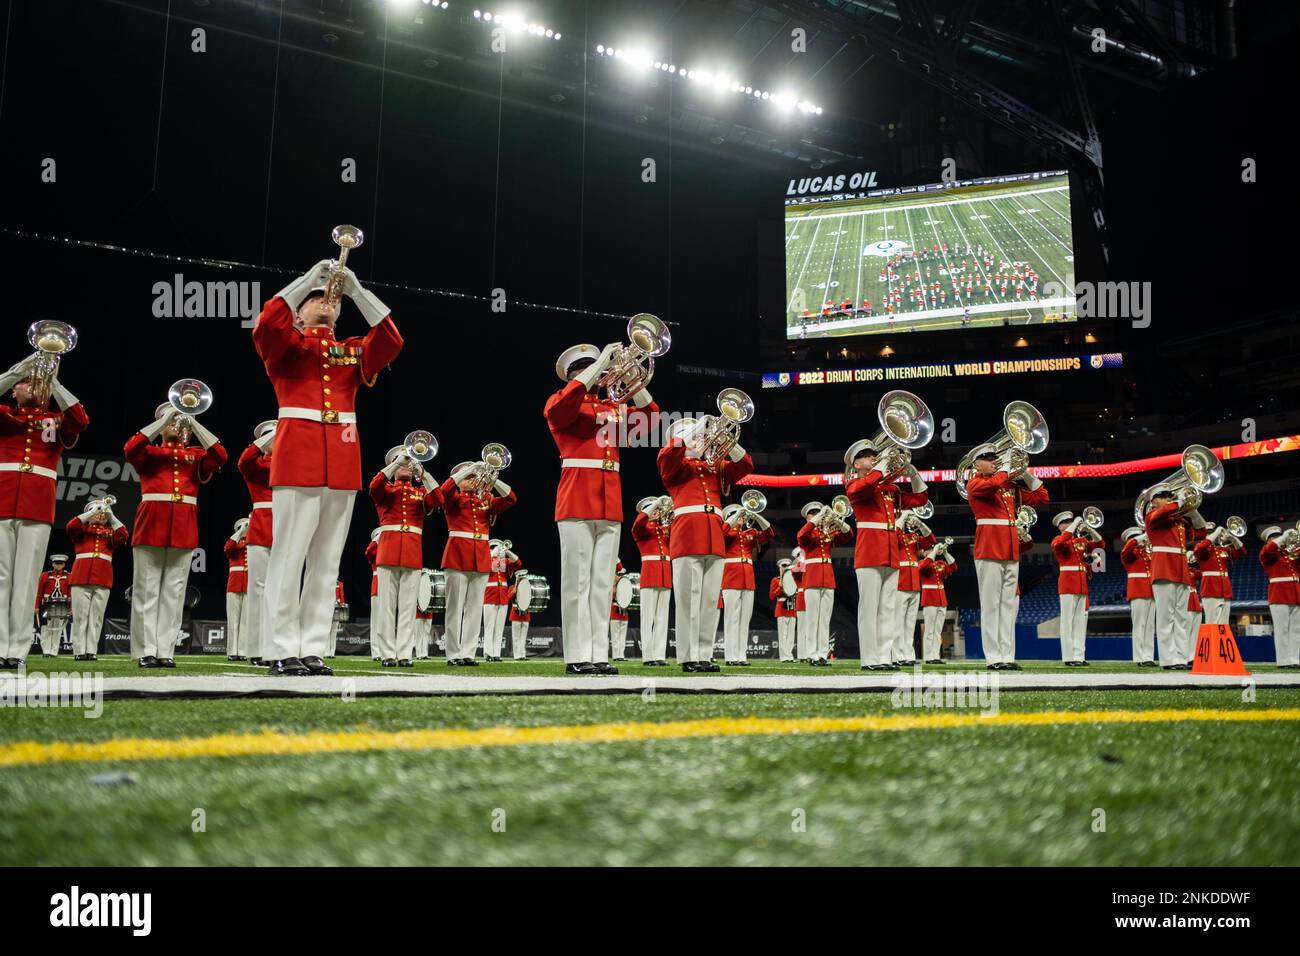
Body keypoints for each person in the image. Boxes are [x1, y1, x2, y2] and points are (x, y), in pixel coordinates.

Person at [252, 257, 403, 676]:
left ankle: (313, 646)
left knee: (326, 562)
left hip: (341, 462)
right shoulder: (287, 348)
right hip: (298, 458)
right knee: (288, 557)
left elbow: (390, 340)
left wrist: (356, 290)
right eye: (317, 299)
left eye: (331, 299)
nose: (326, 302)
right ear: (300, 311)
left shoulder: (350, 350)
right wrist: (305, 281)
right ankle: (280, 647)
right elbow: (266, 324)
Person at [544, 342, 658, 675]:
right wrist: (601, 363)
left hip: (610, 505)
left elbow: (651, 420)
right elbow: (563, 405)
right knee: (577, 583)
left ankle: (597, 653)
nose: (604, 372)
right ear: (575, 375)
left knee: (600, 585)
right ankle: (576, 656)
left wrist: (636, 381)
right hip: (576, 501)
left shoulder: (612, 408)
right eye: (593, 369)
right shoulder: (562, 402)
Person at [0, 360, 88, 669]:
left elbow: (81, 418)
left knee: (25, 581)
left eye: (35, 383)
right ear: (13, 391)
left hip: (37, 505)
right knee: (1, 577)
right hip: (3, 498)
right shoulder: (5, 415)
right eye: (24, 383)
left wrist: (55, 384)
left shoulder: (56, 419)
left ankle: (16, 651)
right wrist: (18, 369)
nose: (31, 386)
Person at [126, 403, 226, 668]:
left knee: (174, 593)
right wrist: (164, 420)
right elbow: (130, 448)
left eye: (179, 423)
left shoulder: (195, 455)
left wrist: (193, 423)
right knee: (147, 591)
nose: (176, 426)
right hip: (151, 523)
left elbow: (220, 455)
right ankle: (146, 650)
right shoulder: (149, 451)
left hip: (183, 525)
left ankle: (165, 650)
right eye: (170, 422)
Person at [657, 423, 754, 672]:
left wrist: (724, 439)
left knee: (710, 601)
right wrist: (694, 429)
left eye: (702, 437)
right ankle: (688, 657)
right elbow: (668, 454)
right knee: (689, 600)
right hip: (688, 534)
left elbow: (746, 465)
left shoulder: (714, 467)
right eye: (695, 437)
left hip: (714, 536)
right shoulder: (674, 464)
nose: (700, 440)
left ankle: (704, 654)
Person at [845, 444, 929, 670]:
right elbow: (866, 485)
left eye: (873, 455)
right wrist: (881, 466)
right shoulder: (854, 484)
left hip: (891, 553)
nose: (872, 458)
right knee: (869, 608)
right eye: (866, 456)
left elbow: (920, 499)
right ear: (856, 464)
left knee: (887, 609)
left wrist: (913, 475)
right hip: (870, 552)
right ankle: (869, 659)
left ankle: (883, 657)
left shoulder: (889, 490)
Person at [964, 447, 1048, 670]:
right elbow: (992, 485)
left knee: (1008, 606)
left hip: (1010, 549)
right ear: (976, 465)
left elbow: (1042, 497)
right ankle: (993, 657)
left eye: (995, 459)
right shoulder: (974, 484)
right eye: (988, 459)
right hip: (989, 548)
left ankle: (1007, 655)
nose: (993, 462)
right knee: (991, 605)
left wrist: (1026, 472)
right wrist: (1008, 468)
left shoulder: (1009, 486)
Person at [439, 460, 516, 666]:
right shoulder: (453, 498)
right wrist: (469, 469)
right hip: (457, 555)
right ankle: (453, 654)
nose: (472, 481)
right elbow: (443, 491)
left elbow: (511, 498)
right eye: (468, 478)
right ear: (459, 481)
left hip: (480, 557)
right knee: (454, 608)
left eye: (474, 477)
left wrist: (493, 480)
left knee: (474, 609)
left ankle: (468, 653)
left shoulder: (486, 500)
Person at [370, 446, 442, 667]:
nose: (407, 467)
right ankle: (387, 653)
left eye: (409, 464)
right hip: (388, 551)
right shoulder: (387, 490)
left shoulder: (420, 492)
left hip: (411, 553)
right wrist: (394, 464)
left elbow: (439, 499)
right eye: (403, 463)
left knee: (408, 608)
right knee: (386, 607)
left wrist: (424, 474)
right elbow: (374, 487)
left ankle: (404, 653)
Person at [1143, 488, 1206, 670]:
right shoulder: (1152, 516)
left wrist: (1193, 510)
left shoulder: (1178, 521)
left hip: (1181, 571)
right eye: (1163, 497)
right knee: (1166, 617)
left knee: (1181, 618)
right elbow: (1162, 513)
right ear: (1153, 501)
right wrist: (1179, 501)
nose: (1167, 499)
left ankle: (1182, 657)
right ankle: (1168, 659)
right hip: (1164, 569)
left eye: (1168, 497)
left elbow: (1201, 533)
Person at [66, 498, 128, 661]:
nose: (101, 516)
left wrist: (111, 516)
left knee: (96, 617)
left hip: (102, 578)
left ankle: (91, 651)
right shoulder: (81, 531)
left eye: (103, 514)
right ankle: (79, 651)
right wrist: (92, 512)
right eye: (98, 513)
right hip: (81, 577)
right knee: (80, 617)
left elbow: (123, 534)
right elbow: (71, 526)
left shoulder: (109, 534)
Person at [237, 420, 275, 665]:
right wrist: (272, 436)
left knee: (283, 591)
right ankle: (257, 650)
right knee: (258, 591)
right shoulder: (256, 464)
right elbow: (244, 460)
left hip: (288, 527)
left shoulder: (292, 462)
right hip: (262, 527)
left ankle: (278, 646)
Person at [796, 503, 853, 667]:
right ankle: (811, 654)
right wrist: (820, 516)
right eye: (812, 513)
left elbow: (848, 534)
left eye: (817, 512)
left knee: (824, 620)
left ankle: (822, 654)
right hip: (812, 577)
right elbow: (801, 535)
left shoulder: (828, 532)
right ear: (807, 517)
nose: (815, 515)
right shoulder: (808, 532)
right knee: (812, 619)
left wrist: (835, 518)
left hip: (827, 578)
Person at [721, 504, 773, 665]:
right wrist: (735, 516)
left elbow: (769, 532)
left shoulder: (750, 533)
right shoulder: (727, 531)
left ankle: (741, 655)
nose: (742, 518)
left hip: (747, 578)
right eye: (738, 516)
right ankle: (730, 656)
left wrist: (755, 515)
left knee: (744, 619)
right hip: (731, 577)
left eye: (743, 517)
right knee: (732, 618)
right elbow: (722, 530)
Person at [631, 497, 673, 666]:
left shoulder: (664, 529)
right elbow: (638, 523)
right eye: (653, 509)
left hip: (665, 572)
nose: (657, 512)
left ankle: (659, 655)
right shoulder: (643, 528)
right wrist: (656, 504)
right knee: (647, 617)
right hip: (650, 571)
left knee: (662, 618)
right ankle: (648, 656)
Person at [892, 509, 936, 665]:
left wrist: (921, 524)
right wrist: (903, 516)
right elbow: (895, 531)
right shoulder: (895, 533)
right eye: (907, 517)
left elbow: (931, 539)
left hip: (914, 582)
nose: (910, 519)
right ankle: (897, 656)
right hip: (901, 581)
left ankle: (908, 655)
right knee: (898, 622)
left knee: (910, 623)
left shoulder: (913, 537)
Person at [1051, 511, 1094, 667]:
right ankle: (1069, 657)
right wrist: (1075, 523)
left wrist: (1088, 529)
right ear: (1060, 526)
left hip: (1081, 583)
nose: (1068, 524)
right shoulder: (1058, 539)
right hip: (1068, 583)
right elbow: (1060, 543)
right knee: (1067, 622)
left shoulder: (1080, 542)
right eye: (1066, 522)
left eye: (1070, 521)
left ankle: (1079, 656)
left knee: (1079, 623)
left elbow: (1100, 544)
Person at [1258, 527, 1299, 668]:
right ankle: (1283, 660)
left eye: (1279, 536)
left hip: (1296, 593)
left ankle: (1294, 659)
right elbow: (1268, 550)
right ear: (1268, 540)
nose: (1277, 538)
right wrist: (1284, 537)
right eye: (1274, 537)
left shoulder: (1289, 553)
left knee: (1296, 629)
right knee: (1282, 629)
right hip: (1279, 593)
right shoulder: (1267, 554)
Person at [1120, 528, 1157, 666]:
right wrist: (1144, 535)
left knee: (1150, 626)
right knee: (1139, 625)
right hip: (1138, 591)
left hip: (1151, 591)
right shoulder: (1129, 554)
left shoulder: (1147, 554)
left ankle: (1148, 657)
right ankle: (1139, 657)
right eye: (1138, 538)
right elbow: (1127, 548)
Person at [1194, 524, 1245, 625]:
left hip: (1225, 590)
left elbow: (1242, 551)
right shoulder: (1202, 549)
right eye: (1209, 534)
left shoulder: (1222, 550)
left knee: (1224, 624)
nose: (1213, 536)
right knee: (1213, 623)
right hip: (1211, 589)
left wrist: (1232, 538)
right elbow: (1201, 546)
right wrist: (1216, 532)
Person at [481, 540, 521, 662]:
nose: (499, 551)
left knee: (499, 627)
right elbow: (484, 563)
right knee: (489, 626)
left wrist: (507, 551)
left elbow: (518, 562)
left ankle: (496, 653)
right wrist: (493, 553)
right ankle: (488, 653)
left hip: (502, 595)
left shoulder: (504, 562)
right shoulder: (487, 559)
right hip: (490, 594)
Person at [917, 543, 956, 664]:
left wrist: (945, 552)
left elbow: (953, 566)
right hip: (929, 599)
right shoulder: (922, 563)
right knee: (929, 629)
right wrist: (933, 551)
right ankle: (928, 657)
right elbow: (923, 566)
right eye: (929, 549)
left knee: (937, 631)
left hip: (941, 599)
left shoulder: (940, 564)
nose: (932, 551)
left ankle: (935, 655)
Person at [34, 554, 71, 656]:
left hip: (62, 606)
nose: (58, 566)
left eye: (61, 563)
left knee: (58, 628)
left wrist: (70, 608)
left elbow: (70, 593)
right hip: (46, 606)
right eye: (56, 563)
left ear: (64, 565)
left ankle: (54, 651)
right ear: (53, 564)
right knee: (46, 628)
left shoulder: (68, 576)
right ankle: (46, 651)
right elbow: (39, 593)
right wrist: (36, 606)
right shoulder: (45, 575)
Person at [224, 519, 250, 660]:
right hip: (234, 584)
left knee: (245, 620)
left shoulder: (252, 543)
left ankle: (242, 651)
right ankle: (232, 651)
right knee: (233, 620)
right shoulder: (234, 543)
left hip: (248, 584)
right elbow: (229, 548)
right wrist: (240, 531)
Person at [770, 559, 798, 662]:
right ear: (779, 567)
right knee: (783, 634)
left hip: (792, 608)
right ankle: (784, 657)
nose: (785, 567)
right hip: (782, 607)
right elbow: (772, 596)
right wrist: (780, 587)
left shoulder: (794, 580)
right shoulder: (775, 580)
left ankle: (789, 655)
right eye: (783, 565)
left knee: (791, 634)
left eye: (788, 565)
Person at [506, 569, 531, 660]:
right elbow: (508, 598)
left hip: (525, 615)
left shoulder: (528, 588)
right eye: (520, 577)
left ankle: (522, 655)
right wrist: (515, 589)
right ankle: (517, 656)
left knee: (523, 637)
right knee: (516, 637)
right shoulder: (512, 587)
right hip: (515, 614)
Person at [364, 529, 380, 661]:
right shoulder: (376, 550)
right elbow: (369, 551)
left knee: (388, 620)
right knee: (376, 620)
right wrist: (378, 540)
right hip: (378, 584)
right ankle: (376, 652)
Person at [609, 562, 630, 661]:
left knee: (623, 634)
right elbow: (612, 594)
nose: (620, 577)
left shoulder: (624, 582)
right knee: (615, 635)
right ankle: (616, 655)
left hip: (624, 611)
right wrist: (615, 583)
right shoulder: (611, 583)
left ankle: (621, 655)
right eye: (618, 574)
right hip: (614, 610)